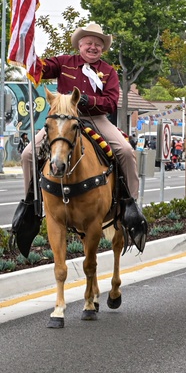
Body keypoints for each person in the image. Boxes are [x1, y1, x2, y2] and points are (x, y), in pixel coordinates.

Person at [12, 22, 147, 251]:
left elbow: (112, 102)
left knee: (125, 150)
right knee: (28, 154)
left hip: (96, 118)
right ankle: (31, 205)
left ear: (102, 48)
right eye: (89, 43)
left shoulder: (109, 72)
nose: (93, 47)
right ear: (80, 44)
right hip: (64, 119)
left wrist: (88, 100)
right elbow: (40, 70)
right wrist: (27, 51)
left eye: (97, 44)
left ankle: (130, 205)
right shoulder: (65, 62)